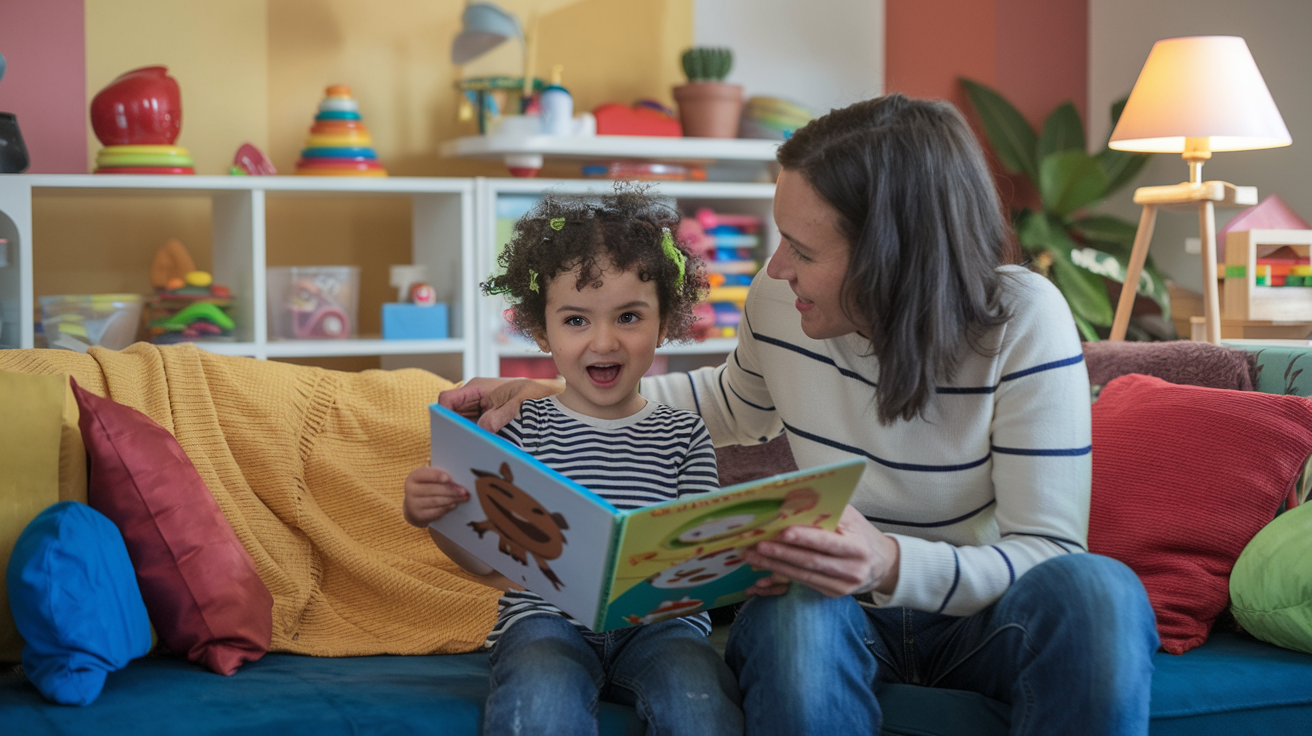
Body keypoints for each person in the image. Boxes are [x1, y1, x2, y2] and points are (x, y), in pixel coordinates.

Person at [439, 94, 1160, 736]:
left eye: (804, 248)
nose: (777, 266)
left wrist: (887, 561)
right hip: (834, 614)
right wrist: (572, 399)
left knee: (1100, 591)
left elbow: (1048, 553)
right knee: (799, 603)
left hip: (979, 618)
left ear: (889, 257)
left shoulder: (1023, 319)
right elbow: (730, 403)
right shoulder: (782, 304)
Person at [402, 188, 743, 736]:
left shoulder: (684, 433)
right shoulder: (520, 430)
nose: (603, 341)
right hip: (543, 625)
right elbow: (489, 566)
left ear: (666, 323)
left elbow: (703, 563)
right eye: (576, 320)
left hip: (663, 630)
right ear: (542, 330)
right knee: (539, 698)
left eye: (629, 316)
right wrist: (434, 516)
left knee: (700, 700)